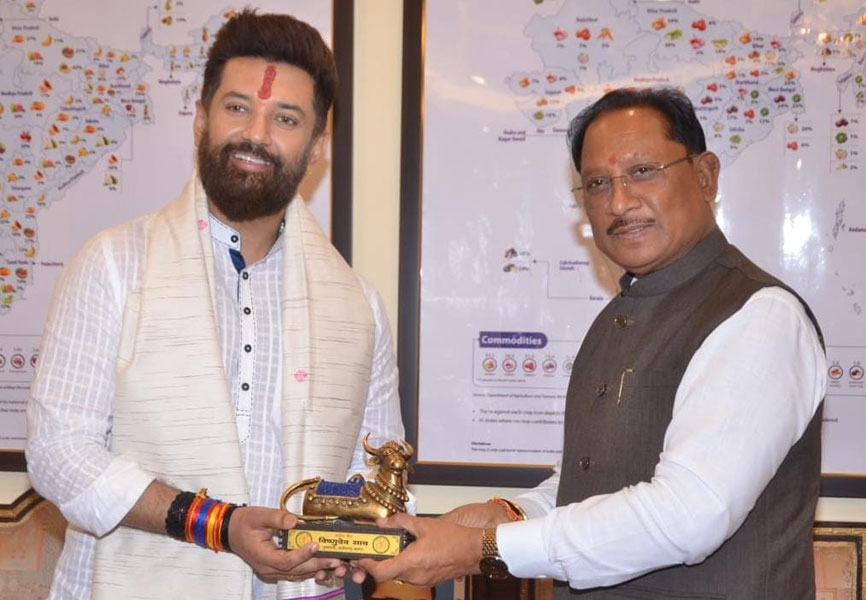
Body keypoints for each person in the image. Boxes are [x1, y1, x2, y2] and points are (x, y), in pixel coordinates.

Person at [358, 87, 826, 599]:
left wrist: (484, 547)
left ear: (705, 175)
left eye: (642, 171)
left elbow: (689, 515)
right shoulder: (617, 317)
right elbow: (591, 485)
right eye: (598, 183)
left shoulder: (760, 316)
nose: (619, 203)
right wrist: (506, 515)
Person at [26, 10, 405, 600]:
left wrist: (346, 538)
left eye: (285, 118)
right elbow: (58, 454)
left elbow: (373, 468)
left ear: (317, 147)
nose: (256, 134)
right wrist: (216, 524)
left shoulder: (359, 307)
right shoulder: (113, 266)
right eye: (237, 107)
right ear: (201, 118)